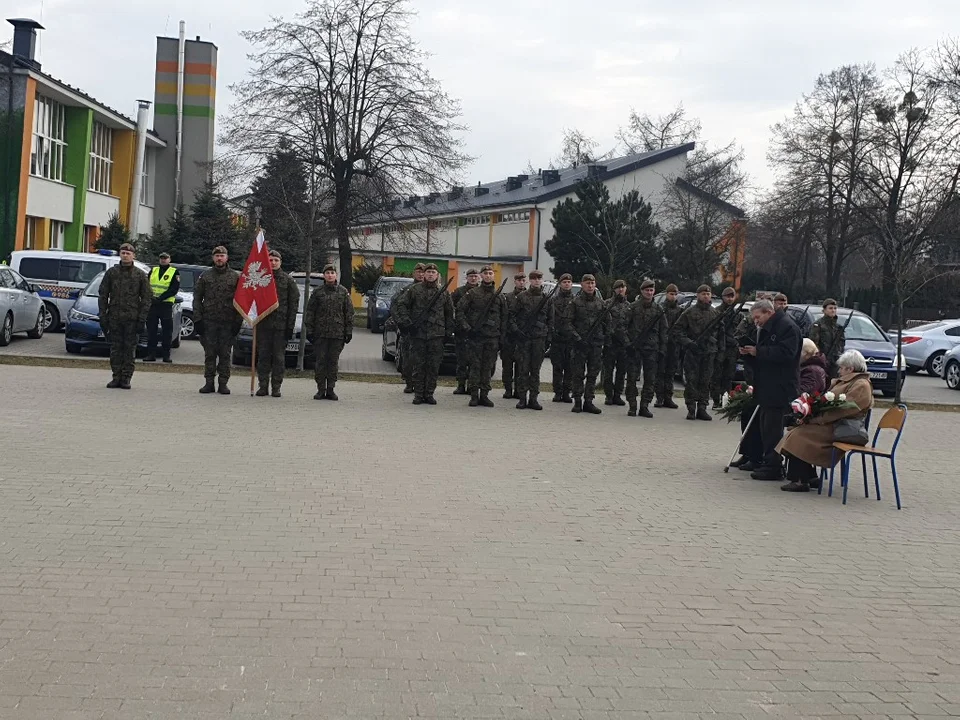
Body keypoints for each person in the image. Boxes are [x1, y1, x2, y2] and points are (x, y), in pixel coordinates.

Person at [777, 350, 874, 492]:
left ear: (850, 369)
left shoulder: (861, 385)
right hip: (833, 424)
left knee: (800, 435)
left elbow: (844, 410)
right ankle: (808, 476)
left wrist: (817, 420)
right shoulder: (848, 381)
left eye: (841, 368)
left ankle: (799, 480)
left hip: (843, 428)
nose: (839, 371)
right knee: (797, 430)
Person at [740, 299, 802, 481]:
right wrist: (749, 354)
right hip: (766, 384)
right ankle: (764, 460)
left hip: (780, 386)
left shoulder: (787, 327)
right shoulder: (768, 327)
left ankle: (774, 465)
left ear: (768, 312)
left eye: (758, 317)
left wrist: (759, 351)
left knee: (773, 427)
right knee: (765, 426)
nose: (756, 322)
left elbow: (786, 353)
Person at [392, 263, 453, 405]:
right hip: (418, 335)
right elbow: (401, 305)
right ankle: (418, 394)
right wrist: (407, 323)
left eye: (433, 272)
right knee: (419, 366)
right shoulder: (414, 290)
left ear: (437, 275)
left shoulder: (444, 292)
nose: (430, 274)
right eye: (428, 272)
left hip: (436, 335)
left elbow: (449, 314)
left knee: (433, 366)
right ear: (423, 274)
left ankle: (429, 394)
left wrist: (448, 332)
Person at [98, 242, 151, 389]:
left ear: (133, 255)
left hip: (132, 319)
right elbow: (103, 294)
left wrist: (142, 319)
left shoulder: (140, 275)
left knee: (129, 350)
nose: (125, 255)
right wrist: (103, 315)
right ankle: (116, 377)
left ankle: (126, 378)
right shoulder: (112, 273)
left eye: (128, 253)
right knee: (115, 349)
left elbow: (146, 297)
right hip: (114, 317)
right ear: (120, 254)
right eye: (123, 253)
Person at [194, 246, 241, 395]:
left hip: (228, 323)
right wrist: (198, 320)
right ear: (213, 258)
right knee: (210, 354)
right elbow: (197, 299)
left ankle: (223, 383)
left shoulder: (235, 277)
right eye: (217, 256)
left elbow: (241, 301)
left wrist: (237, 322)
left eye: (222, 255)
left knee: (225, 355)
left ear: (227, 257)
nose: (219, 258)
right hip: (209, 323)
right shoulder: (205, 276)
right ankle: (209, 382)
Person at [458, 265, 506, 407]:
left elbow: (505, 318)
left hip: (492, 338)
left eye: (490, 273)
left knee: (487, 367)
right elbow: (460, 311)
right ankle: (473, 395)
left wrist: (501, 338)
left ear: (493, 275)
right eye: (485, 273)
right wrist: (467, 328)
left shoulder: (500, 296)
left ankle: (484, 395)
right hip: (476, 337)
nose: (488, 276)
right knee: (475, 366)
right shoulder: (473, 294)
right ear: (480, 276)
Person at [304, 264, 353, 401]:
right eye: (327, 273)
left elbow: (349, 313)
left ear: (336, 275)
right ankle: (320, 389)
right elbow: (310, 312)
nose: (330, 275)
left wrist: (348, 331)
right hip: (321, 334)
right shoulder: (318, 292)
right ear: (324, 275)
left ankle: (331, 389)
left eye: (332, 272)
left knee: (332, 362)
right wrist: (310, 330)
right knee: (320, 362)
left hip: (337, 334)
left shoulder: (343, 292)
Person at [254, 250, 300, 398]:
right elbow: (253, 300)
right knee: (263, 358)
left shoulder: (288, 281)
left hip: (281, 327)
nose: (273, 263)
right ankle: (262, 386)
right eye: (271, 260)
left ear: (280, 262)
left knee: (279, 359)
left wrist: (290, 327)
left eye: (276, 260)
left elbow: (293, 305)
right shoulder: (261, 279)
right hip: (263, 325)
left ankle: (276, 387)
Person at [675, 284, 719, 421]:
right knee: (692, 381)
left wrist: (717, 347)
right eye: (703, 294)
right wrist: (688, 342)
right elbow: (677, 330)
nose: (706, 296)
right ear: (698, 295)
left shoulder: (715, 313)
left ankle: (702, 408)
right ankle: (691, 408)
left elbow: (720, 333)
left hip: (709, 352)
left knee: (705, 381)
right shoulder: (689, 312)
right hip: (693, 352)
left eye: (708, 294)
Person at [565, 273, 607, 414]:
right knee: (578, 374)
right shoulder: (575, 302)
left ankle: (589, 401)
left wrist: (603, 337)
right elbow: (567, 323)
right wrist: (577, 338)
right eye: (587, 283)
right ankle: (577, 401)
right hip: (580, 345)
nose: (590, 286)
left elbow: (608, 323)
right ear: (582, 285)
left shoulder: (601, 303)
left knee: (592, 374)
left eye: (592, 283)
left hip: (595, 345)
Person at [509, 270, 551, 410]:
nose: (537, 281)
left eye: (539, 278)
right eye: (534, 278)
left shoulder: (546, 298)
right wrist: (517, 331)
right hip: (524, 339)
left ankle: (533, 398)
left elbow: (551, 321)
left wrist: (547, 337)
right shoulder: (521, 297)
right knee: (523, 369)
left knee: (535, 370)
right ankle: (522, 398)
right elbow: (512, 316)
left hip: (539, 339)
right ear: (530, 280)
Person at [625, 279, 666, 418]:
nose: (649, 293)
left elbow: (663, 331)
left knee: (650, 379)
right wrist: (627, 343)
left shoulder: (658, 309)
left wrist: (662, 349)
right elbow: (622, 326)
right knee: (631, 377)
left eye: (651, 290)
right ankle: (632, 405)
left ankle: (644, 406)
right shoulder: (633, 307)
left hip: (651, 348)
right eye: (647, 290)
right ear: (641, 291)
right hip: (635, 348)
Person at [391, 263, 425, 393]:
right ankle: (409, 382)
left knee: (422, 359)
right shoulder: (407, 290)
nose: (421, 274)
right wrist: (401, 324)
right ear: (414, 273)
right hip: (409, 330)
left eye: (423, 272)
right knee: (408, 358)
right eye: (418, 272)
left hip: (424, 331)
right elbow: (395, 306)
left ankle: (421, 384)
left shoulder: (433, 291)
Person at [144, 252, 180, 363]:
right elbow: (146, 286)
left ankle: (166, 356)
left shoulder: (174, 272)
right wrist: (151, 298)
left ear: (169, 259)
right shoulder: (153, 270)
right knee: (151, 331)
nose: (163, 260)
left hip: (166, 305)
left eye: (165, 258)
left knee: (167, 332)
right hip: (153, 305)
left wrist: (160, 298)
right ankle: (151, 355)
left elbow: (174, 289)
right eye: (161, 258)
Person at [602, 280, 631, 406]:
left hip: (624, 345)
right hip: (610, 344)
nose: (620, 289)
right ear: (614, 289)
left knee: (621, 372)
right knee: (608, 371)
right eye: (618, 287)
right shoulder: (607, 304)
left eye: (623, 287)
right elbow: (602, 323)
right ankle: (608, 395)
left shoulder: (630, 306)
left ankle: (618, 395)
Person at [450, 268, 480, 395]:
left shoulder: (481, 292)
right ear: (466, 278)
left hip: (477, 331)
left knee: (475, 361)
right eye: (471, 276)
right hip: (462, 331)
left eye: (475, 276)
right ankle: (461, 385)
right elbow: (451, 308)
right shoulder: (459, 292)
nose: (473, 278)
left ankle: (472, 386)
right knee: (461, 360)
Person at [549, 273, 576, 403]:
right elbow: (549, 318)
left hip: (571, 339)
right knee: (557, 367)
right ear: (560, 284)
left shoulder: (576, 301)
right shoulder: (553, 301)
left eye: (569, 282)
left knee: (570, 367)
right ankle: (557, 392)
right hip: (557, 339)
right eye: (564, 282)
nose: (567, 284)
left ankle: (567, 392)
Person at [654, 283, 682, 409]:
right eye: (671, 294)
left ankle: (668, 397)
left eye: (675, 294)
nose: (673, 296)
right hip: (661, 344)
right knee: (660, 372)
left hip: (674, 345)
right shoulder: (660, 308)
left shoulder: (680, 311)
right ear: (666, 294)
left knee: (670, 373)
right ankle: (659, 398)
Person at [711, 287, 739, 410]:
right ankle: (716, 400)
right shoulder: (716, 312)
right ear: (723, 297)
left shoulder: (737, 314)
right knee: (717, 376)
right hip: (719, 348)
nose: (729, 299)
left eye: (732, 296)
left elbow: (739, 331)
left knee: (728, 376)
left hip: (731, 350)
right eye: (727, 296)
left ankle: (725, 400)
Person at [501, 272, 527, 399]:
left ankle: (518, 389)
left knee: (521, 365)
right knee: (507, 365)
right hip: (509, 336)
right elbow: (504, 315)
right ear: (515, 281)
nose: (521, 282)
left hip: (522, 336)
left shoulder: (529, 297)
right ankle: (507, 389)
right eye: (519, 280)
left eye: (523, 280)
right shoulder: (508, 297)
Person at [809, 298, 845, 378]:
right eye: (830, 308)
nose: (833, 310)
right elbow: (813, 344)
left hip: (835, 362)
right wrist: (820, 357)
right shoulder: (818, 325)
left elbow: (842, 343)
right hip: (821, 361)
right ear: (824, 310)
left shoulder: (838, 327)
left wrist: (838, 354)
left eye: (835, 308)